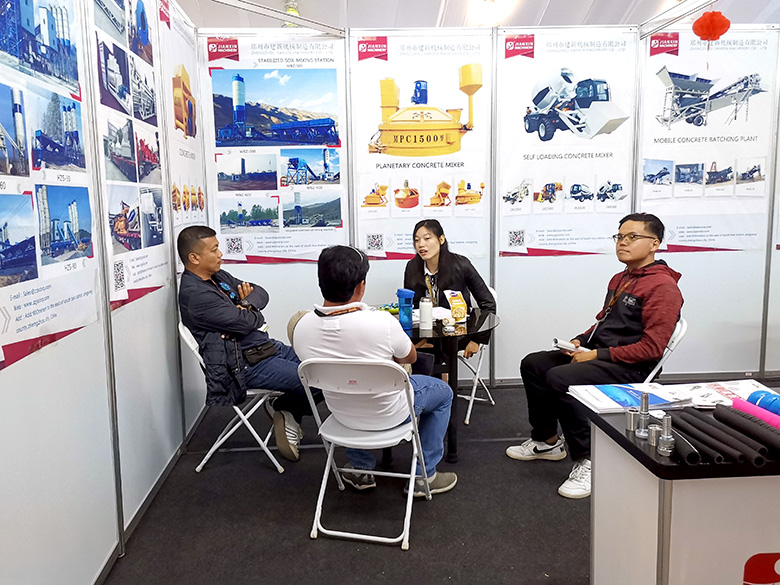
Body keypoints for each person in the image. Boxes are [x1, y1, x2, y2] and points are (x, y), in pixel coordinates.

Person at [506, 213, 683, 499]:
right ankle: (547, 441)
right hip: (603, 355)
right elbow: (604, 323)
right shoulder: (621, 278)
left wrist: (596, 355)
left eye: (633, 237)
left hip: (633, 367)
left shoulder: (663, 287)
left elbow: (652, 349)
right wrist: (580, 341)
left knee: (560, 378)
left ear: (655, 244)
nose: (623, 242)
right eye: (620, 236)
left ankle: (589, 459)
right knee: (534, 363)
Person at [293, 245, 458, 497]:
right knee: (443, 392)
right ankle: (424, 475)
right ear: (361, 286)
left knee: (348, 387)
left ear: (321, 282)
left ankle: (361, 469)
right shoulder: (382, 322)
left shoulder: (302, 328)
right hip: (392, 415)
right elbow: (410, 357)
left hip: (342, 418)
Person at [177, 225, 317, 462]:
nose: (220, 253)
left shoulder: (218, 277)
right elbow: (247, 322)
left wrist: (246, 306)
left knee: (321, 364)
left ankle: (284, 408)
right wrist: (250, 314)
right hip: (244, 364)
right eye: (214, 249)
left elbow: (261, 292)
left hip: (264, 348)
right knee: (321, 379)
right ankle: (286, 409)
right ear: (194, 258)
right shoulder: (196, 295)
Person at [403, 219, 496, 360]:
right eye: (417, 240)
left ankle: (435, 370)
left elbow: (488, 303)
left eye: (427, 238)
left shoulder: (461, 265)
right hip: (425, 333)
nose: (421, 244)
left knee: (430, 354)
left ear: (441, 239)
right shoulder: (412, 267)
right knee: (402, 349)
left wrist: (477, 340)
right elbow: (411, 306)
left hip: (456, 334)